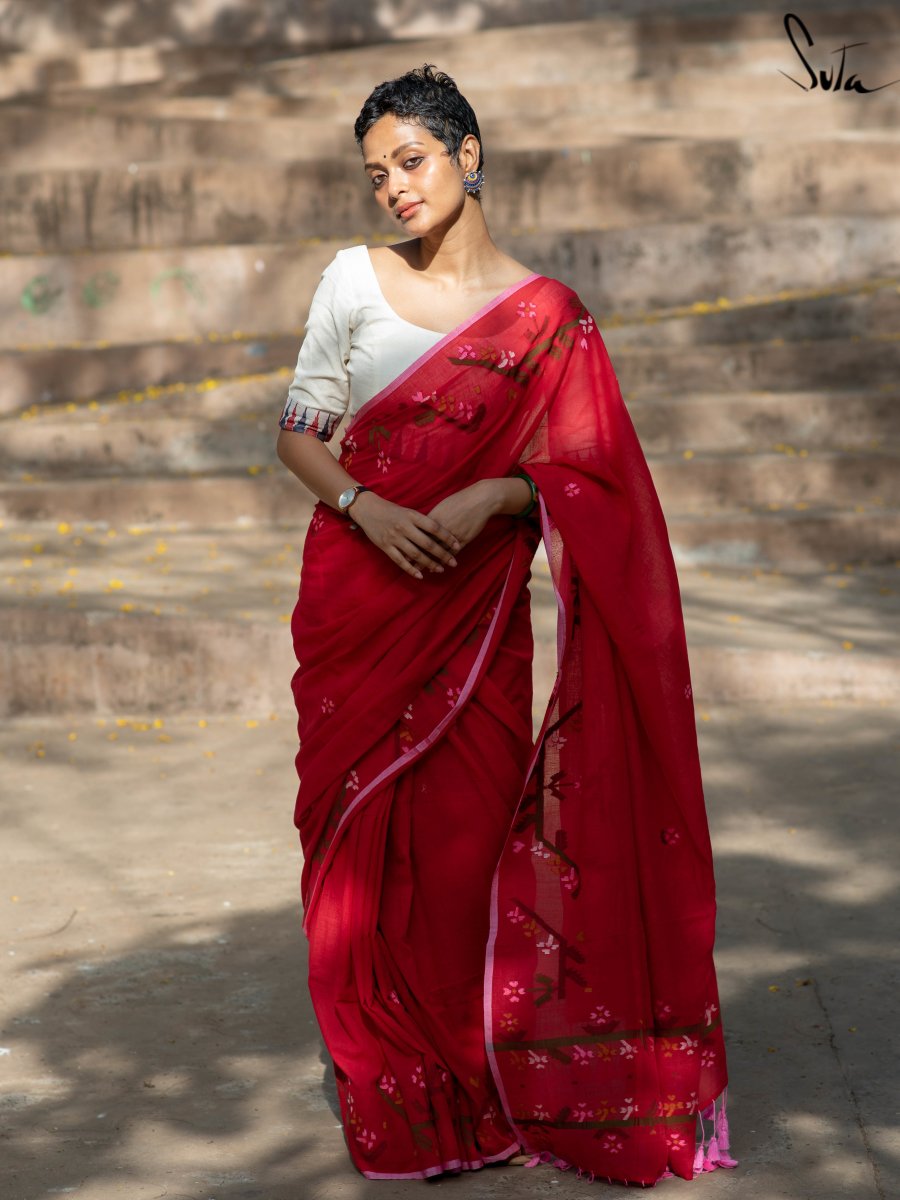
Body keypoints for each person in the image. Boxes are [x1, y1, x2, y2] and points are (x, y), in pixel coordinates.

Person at [275, 63, 737, 1186]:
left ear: (467, 155)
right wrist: (366, 506)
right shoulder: (351, 278)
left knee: (468, 846)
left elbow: (598, 476)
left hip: (474, 616)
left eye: (412, 160)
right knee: (355, 854)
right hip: (359, 602)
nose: (395, 186)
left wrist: (504, 493)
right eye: (377, 173)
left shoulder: (549, 319)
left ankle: (480, 1077)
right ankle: (391, 1075)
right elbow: (298, 432)